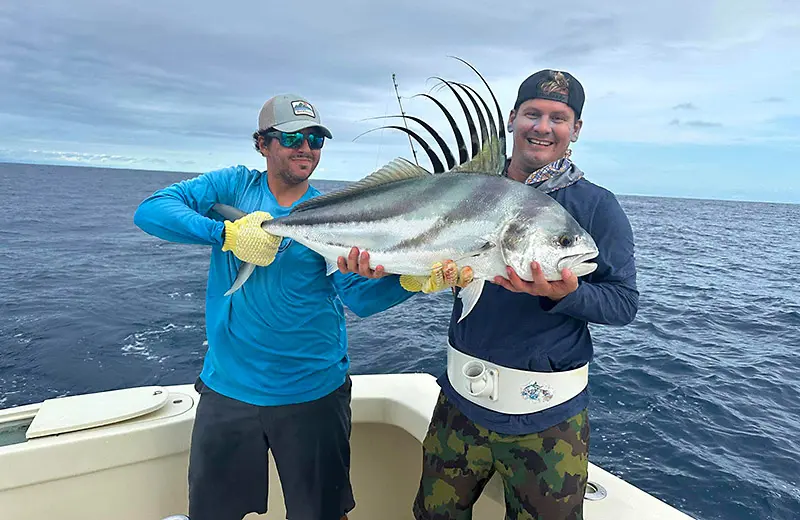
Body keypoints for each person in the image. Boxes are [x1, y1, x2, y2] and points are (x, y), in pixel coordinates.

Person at [133, 93, 451, 520]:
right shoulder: (233, 186)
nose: (306, 148)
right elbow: (152, 211)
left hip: (314, 392)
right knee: (213, 512)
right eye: (292, 137)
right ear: (263, 144)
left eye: (316, 139)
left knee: (319, 512)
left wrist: (413, 281)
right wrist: (226, 234)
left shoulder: (328, 211)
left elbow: (360, 297)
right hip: (228, 390)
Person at [409, 69, 640, 519]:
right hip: (459, 404)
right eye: (533, 113)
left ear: (576, 129)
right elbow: (415, 245)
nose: (543, 126)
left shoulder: (597, 207)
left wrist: (566, 293)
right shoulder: (466, 189)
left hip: (548, 421)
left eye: (559, 117)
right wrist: (401, 272)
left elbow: (622, 302)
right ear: (513, 118)